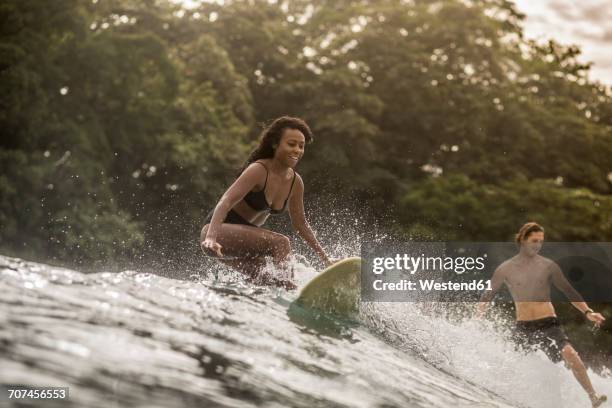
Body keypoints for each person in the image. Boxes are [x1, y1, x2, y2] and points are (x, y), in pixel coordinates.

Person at [477, 222, 607, 408]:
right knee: (514, 367)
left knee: (570, 354)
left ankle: (593, 396)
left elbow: (569, 291)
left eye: (541, 241)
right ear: (522, 240)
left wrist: (588, 311)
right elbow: (487, 294)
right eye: (534, 241)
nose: (538, 245)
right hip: (523, 327)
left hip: (548, 323)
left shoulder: (548, 266)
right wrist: (479, 316)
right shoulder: (505, 268)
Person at [200, 116, 332, 289]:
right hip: (217, 232)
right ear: (275, 144)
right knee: (281, 242)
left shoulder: (295, 182)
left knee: (269, 277)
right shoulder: (259, 170)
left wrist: (327, 260)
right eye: (291, 144)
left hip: (243, 241)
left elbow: (301, 224)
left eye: (301, 146)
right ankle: (292, 295)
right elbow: (226, 201)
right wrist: (211, 237)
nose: (297, 150)